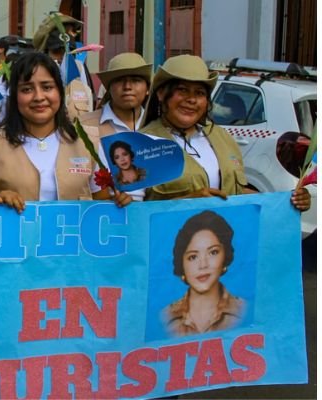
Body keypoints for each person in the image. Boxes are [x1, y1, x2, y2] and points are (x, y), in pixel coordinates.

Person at [0, 52, 129, 211]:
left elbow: (102, 205)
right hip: (13, 241)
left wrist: (120, 202)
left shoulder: (88, 143)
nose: (39, 97)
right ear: (14, 96)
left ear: (60, 93)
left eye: (47, 87)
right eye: (27, 89)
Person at [141, 54, 311, 211]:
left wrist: (288, 201)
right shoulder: (140, 144)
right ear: (162, 94)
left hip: (221, 240)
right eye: (182, 90)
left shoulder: (221, 137)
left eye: (199, 93)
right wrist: (188, 201)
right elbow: (130, 215)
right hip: (168, 242)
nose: (191, 100)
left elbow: (233, 193)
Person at [79, 52, 152, 200]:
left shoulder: (157, 126)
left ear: (148, 88)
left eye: (135, 80)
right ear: (108, 87)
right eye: (119, 80)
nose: (127, 87)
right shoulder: (83, 126)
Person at [162, 210, 245, 337]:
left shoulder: (243, 311)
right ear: (181, 263)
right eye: (193, 257)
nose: (203, 265)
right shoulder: (165, 317)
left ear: (225, 256)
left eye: (213, 252)